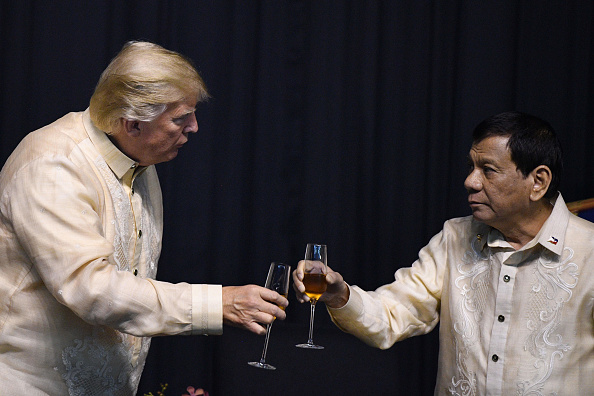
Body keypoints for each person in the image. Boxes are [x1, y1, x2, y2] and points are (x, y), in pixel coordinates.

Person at [0, 41, 288, 395]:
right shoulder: (53, 164)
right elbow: (92, 289)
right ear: (132, 122)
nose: (195, 127)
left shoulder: (139, 161)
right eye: (181, 118)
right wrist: (218, 304)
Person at [293, 111, 594, 395]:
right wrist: (338, 294)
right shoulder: (455, 238)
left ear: (538, 182)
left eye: (488, 170)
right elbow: (392, 314)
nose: (470, 182)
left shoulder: (589, 251)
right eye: (471, 168)